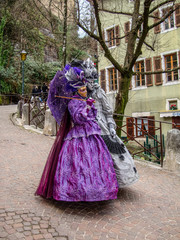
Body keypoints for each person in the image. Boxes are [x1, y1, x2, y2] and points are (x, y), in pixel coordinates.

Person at [35, 65, 118, 201]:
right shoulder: (73, 103)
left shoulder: (83, 100)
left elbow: (92, 116)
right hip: (79, 134)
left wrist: (90, 107)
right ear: (77, 90)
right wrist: (87, 107)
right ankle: (77, 192)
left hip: (91, 132)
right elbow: (78, 118)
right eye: (83, 90)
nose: (86, 92)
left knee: (95, 162)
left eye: (85, 89)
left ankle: (97, 190)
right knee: (79, 165)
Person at [71, 59, 138, 188]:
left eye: (92, 79)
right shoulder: (79, 94)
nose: (90, 82)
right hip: (87, 130)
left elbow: (108, 112)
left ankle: (112, 183)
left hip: (103, 129)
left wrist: (112, 127)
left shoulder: (99, 93)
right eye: (87, 79)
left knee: (113, 156)